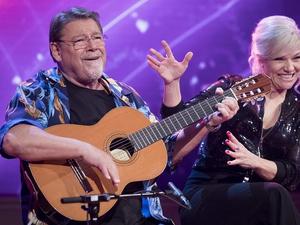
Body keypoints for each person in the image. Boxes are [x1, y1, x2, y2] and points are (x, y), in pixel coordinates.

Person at [0, 7, 239, 225]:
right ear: (56, 50)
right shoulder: (40, 90)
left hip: (142, 219)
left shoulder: (124, 95)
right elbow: (14, 140)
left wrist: (206, 124)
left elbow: (164, 153)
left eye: (97, 37)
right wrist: (86, 150)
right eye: (80, 40)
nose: (93, 46)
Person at [148, 15, 300, 225]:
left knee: (275, 198)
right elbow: (175, 120)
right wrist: (172, 84)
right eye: (280, 59)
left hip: (258, 200)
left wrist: (256, 163)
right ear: (260, 59)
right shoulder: (232, 87)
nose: (290, 67)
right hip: (207, 193)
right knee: (275, 196)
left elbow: (294, 172)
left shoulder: (297, 108)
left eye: (297, 58)